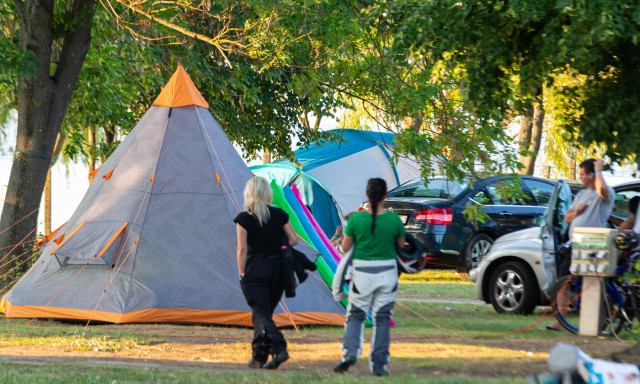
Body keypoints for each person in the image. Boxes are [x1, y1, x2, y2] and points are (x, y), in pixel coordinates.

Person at [334, 178, 406, 376]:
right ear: (385, 195)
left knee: (356, 316)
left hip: (362, 275)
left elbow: (345, 247)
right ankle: (379, 364)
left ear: (367, 194)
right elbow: (402, 246)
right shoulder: (393, 219)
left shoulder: (356, 219)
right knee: (382, 319)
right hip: (387, 275)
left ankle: (350, 353)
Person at [234, 176, 299, 369]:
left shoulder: (244, 218)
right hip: (278, 270)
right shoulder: (279, 215)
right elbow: (294, 240)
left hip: (255, 270)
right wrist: (278, 244)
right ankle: (259, 357)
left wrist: (241, 273)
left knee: (260, 314)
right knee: (263, 314)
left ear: (250, 194)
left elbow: (241, 249)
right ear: (267, 194)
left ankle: (279, 348)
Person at [545, 158, 615, 331]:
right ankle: (559, 321)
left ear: (592, 175)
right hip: (575, 243)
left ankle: (593, 320)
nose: (580, 177)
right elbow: (567, 218)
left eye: (583, 174)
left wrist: (599, 170)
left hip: (593, 244)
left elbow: (602, 189)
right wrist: (577, 212)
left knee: (590, 282)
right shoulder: (582, 195)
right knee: (563, 280)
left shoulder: (605, 193)